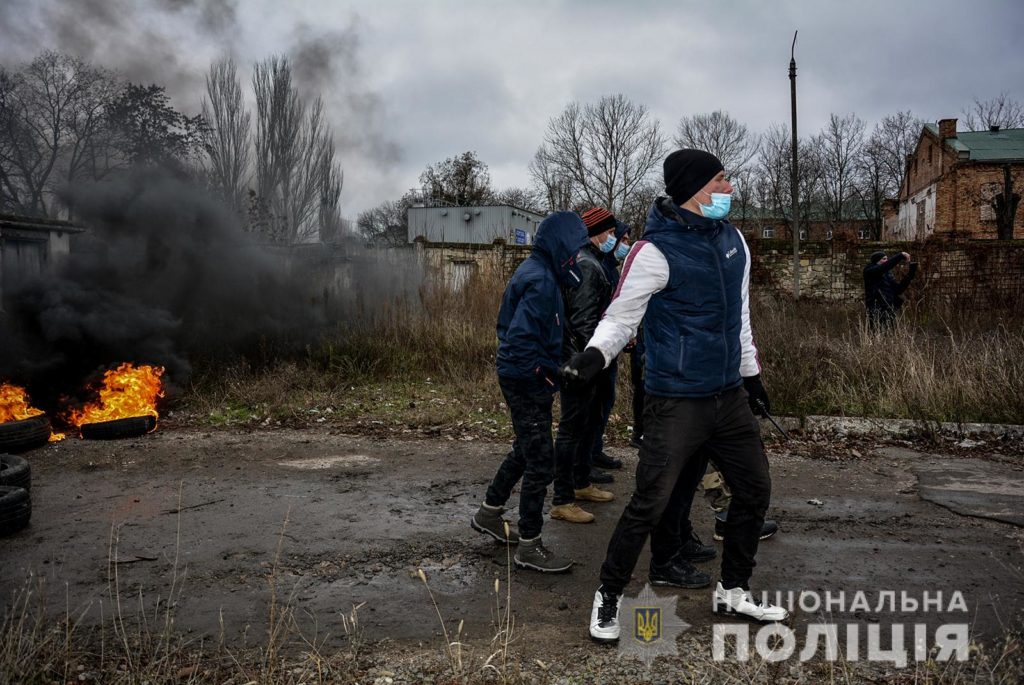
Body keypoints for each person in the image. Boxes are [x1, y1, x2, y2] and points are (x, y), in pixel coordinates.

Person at [563, 149, 789, 642]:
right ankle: (608, 596)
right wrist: (593, 357)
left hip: (726, 396)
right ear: (696, 189)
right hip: (676, 400)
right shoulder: (653, 252)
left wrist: (752, 378)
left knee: (754, 490)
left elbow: (740, 319)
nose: (730, 188)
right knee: (650, 501)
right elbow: (621, 318)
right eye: (723, 180)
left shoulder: (735, 242)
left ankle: (734, 588)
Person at [470, 211, 588, 573]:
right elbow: (520, 341)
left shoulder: (544, 273)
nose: (577, 256)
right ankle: (529, 544)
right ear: (560, 243)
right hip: (526, 379)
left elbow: (537, 334)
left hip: (526, 376)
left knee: (526, 449)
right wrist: (551, 374)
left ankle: (489, 514)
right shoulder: (540, 280)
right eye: (575, 247)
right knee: (541, 461)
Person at [549, 208, 619, 526]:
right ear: (596, 233)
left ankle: (580, 484)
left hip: (584, 360)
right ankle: (563, 498)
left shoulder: (587, 262)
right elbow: (583, 321)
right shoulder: (588, 266)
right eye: (609, 232)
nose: (614, 238)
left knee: (585, 426)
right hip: (582, 363)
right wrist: (593, 358)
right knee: (571, 430)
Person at [588, 220, 634, 474]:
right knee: (595, 405)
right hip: (598, 348)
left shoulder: (611, 267)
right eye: (621, 238)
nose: (624, 243)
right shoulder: (598, 267)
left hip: (610, 348)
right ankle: (586, 459)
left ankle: (594, 451)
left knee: (605, 402)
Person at [863, 251, 918, 330]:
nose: (886, 261)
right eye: (884, 259)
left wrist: (911, 273)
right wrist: (900, 255)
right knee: (876, 335)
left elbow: (898, 289)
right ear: (876, 260)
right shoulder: (869, 270)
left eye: (887, 259)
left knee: (889, 336)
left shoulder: (887, 274)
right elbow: (882, 268)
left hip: (889, 309)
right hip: (875, 310)